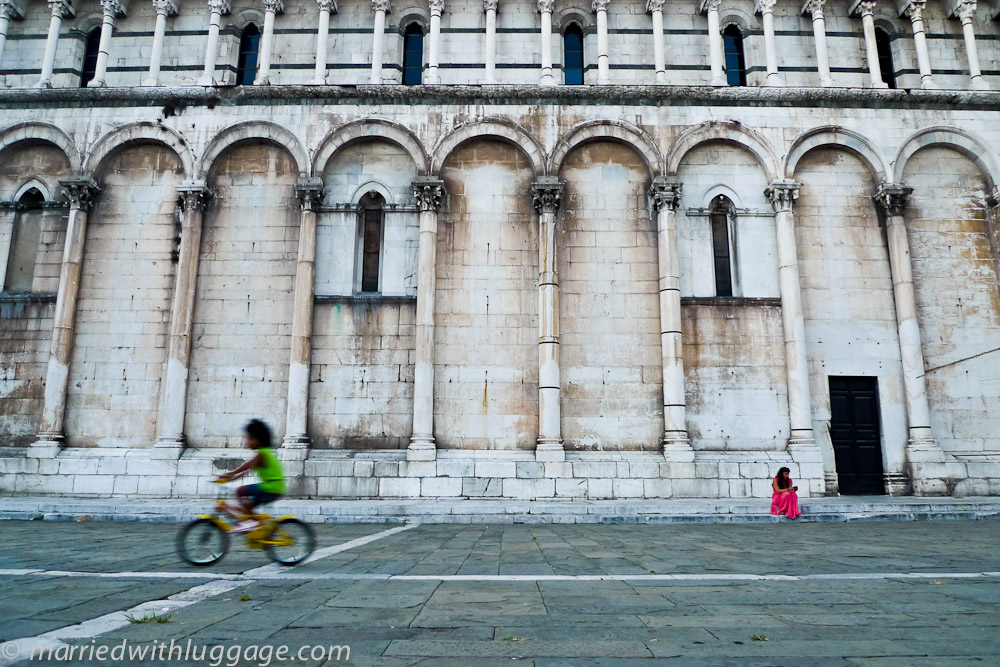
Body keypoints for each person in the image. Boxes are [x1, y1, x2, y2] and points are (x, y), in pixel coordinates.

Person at [216, 419, 285, 533]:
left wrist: (229, 475)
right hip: (274, 487)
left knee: (240, 491)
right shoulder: (265, 452)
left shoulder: (262, 454)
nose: (248, 442)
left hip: (271, 487)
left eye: (250, 438)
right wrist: (231, 477)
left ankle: (251, 523)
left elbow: (247, 466)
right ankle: (256, 524)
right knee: (248, 506)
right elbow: (246, 471)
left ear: (259, 440)